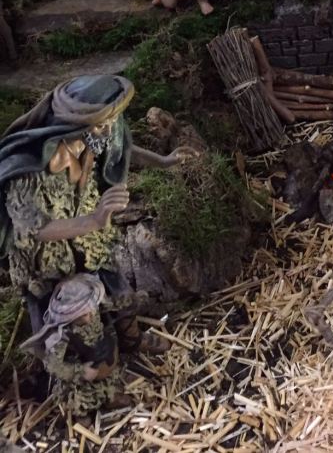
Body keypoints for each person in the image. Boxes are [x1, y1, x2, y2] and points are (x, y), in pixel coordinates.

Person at [0, 74, 193, 343]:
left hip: (90, 243)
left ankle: (130, 339)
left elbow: (123, 147)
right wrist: (94, 219)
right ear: (70, 126)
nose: (110, 128)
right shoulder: (28, 170)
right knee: (60, 320)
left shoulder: (94, 138)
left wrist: (164, 161)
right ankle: (77, 362)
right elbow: (35, 230)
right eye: (103, 124)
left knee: (117, 289)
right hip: (47, 260)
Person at [21, 274, 122, 415]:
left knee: (110, 377)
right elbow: (53, 364)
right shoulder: (61, 335)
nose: (90, 316)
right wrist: (79, 371)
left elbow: (111, 305)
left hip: (101, 354)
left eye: (91, 310)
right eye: (83, 315)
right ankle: (84, 411)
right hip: (82, 368)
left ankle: (110, 394)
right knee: (82, 398)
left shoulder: (91, 310)